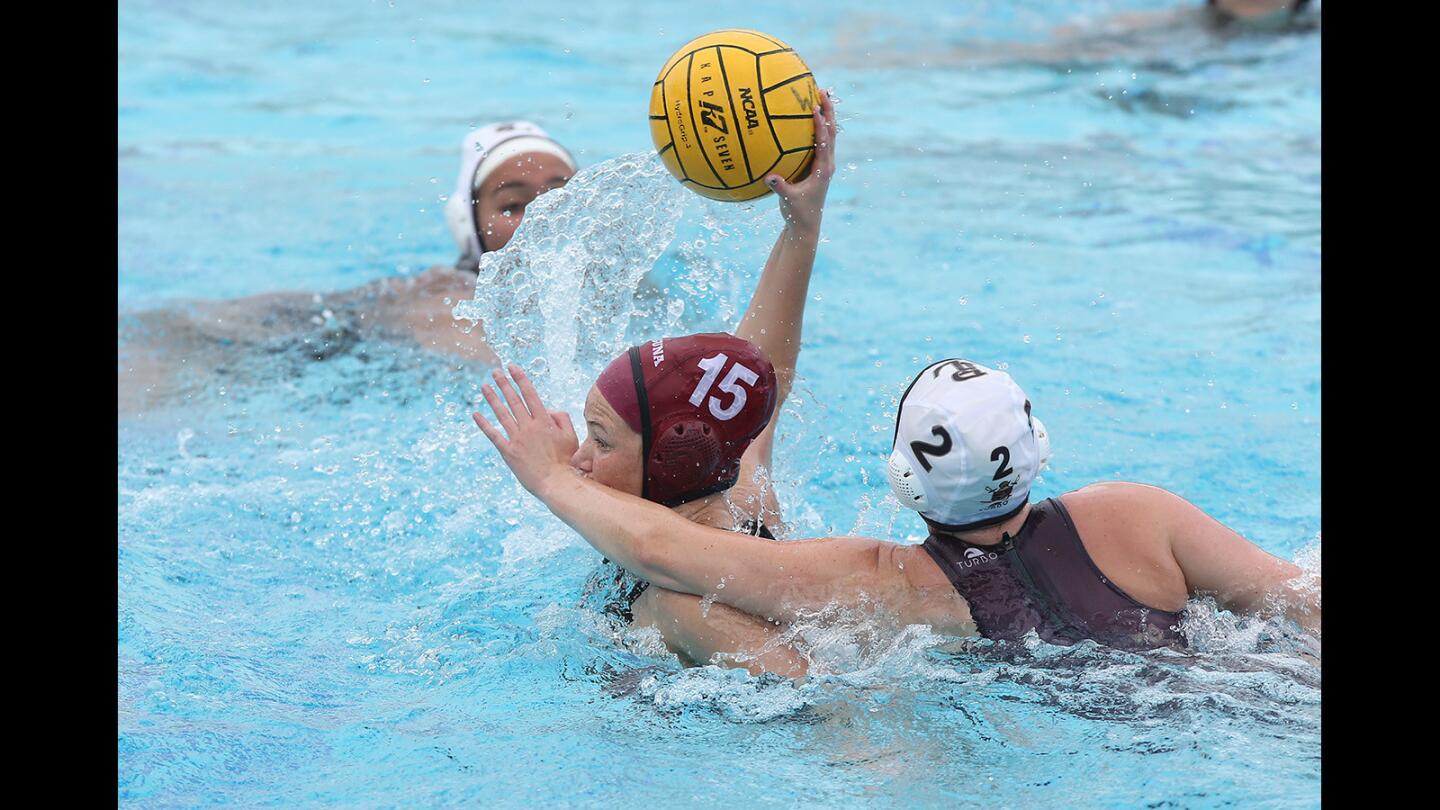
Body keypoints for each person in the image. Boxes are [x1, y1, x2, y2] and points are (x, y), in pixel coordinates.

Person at [475, 91, 840, 677]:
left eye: (601, 438)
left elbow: (821, 694)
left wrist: (546, 478)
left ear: (670, 460)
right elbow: (761, 369)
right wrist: (803, 222)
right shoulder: (737, 490)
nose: (578, 458)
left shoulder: (687, 608)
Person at [118, 121, 576, 413]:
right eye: (513, 204)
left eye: (560, 194)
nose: (542, 216)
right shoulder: (435, 299)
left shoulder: (623, 292)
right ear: (468, 226)